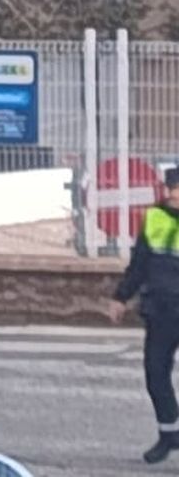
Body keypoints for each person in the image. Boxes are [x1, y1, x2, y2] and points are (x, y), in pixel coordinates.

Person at [112, 166, 179, 463]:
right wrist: (121, 297)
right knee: (156, 375)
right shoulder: (154, 217)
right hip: (161, 310)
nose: (174, 195)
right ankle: (169, 434)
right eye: (171, 189)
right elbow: (140, 263)